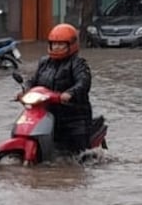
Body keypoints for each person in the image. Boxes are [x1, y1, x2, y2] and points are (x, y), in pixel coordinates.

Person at [19, 23, 93, 154]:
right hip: (47, 112)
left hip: (73, 116)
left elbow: (83, 82)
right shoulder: (44, 62)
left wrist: (69, 93)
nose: (57, 47)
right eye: (54, 44)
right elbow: (33, 80)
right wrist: (25, 90)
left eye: (61, 44)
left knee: (77, 156)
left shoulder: (78, 63)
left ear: (71, 45)